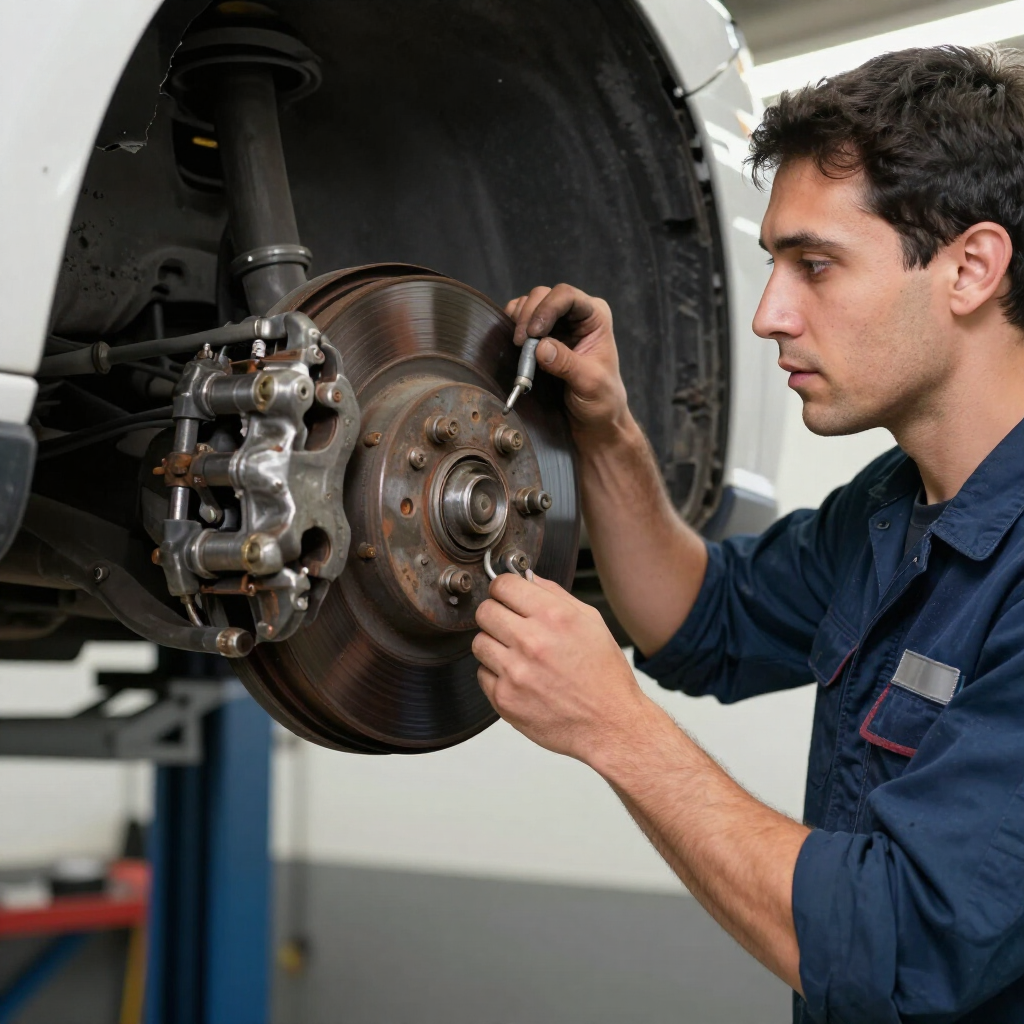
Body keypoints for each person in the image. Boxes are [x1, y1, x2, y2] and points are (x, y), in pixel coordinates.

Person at [471, 45, 1024, 1023]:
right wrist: (605, 428)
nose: (771, 314)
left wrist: (615, 728)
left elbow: (900, 943)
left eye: (815, 266)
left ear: (970, 268)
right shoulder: (888, 511)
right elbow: (698, 619)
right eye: (774, 265)